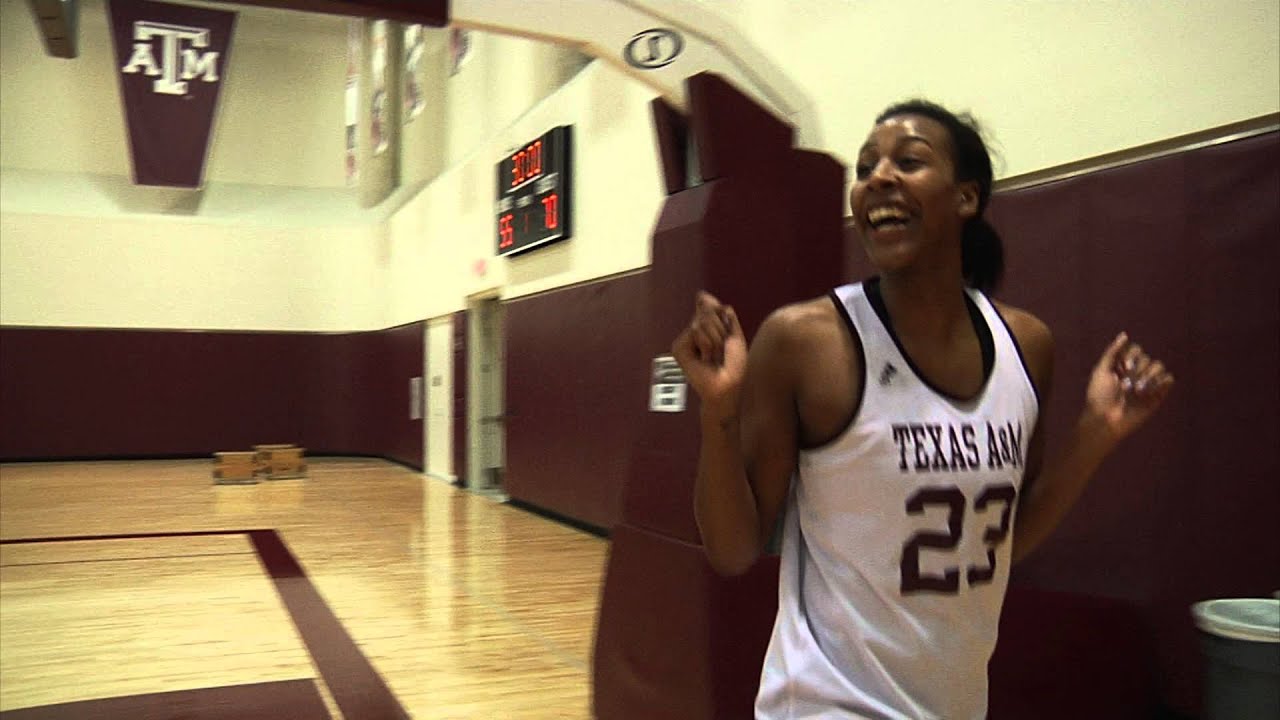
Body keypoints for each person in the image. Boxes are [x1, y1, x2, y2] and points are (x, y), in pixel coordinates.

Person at [670, 99, 1174, 719]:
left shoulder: (1027, 345)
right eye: (866, 167)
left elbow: (1003, 543)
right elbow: (733, 549)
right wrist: (717, 413)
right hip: (828, 703)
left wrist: (1096, 436)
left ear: (965, 198)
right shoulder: (807, 341)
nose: (878, 177)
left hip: (954, 702)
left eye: (908, 161)